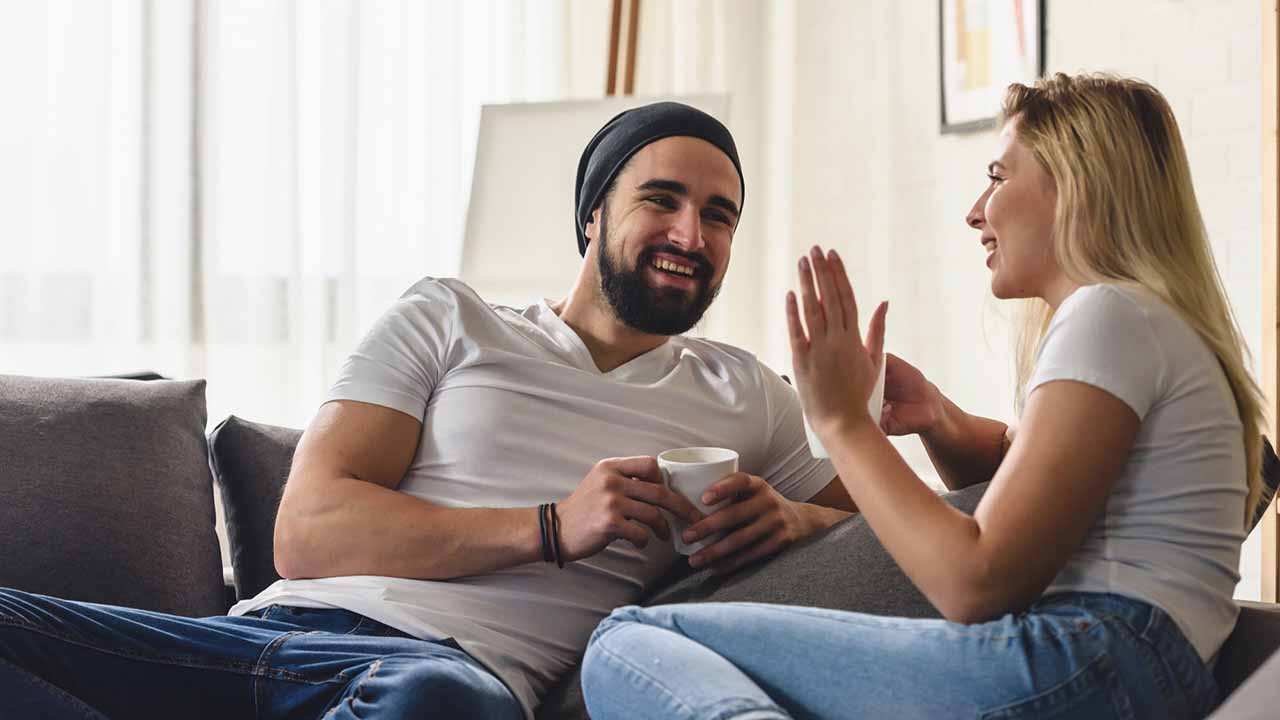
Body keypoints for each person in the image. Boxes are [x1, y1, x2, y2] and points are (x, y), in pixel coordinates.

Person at [0, 102, 858, 719]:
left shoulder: (748, 394)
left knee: (435, 701)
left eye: (720, 216)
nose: (692, 234)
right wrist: (552, 525)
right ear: (593, 213)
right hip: (268, 642)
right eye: (660, 200)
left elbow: (888, 528)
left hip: (443, 679)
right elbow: (307, 530)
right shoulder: (450, 317)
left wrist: (794, 520)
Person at [581, 73, 1261, 720]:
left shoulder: (1108, 317)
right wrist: (936, 414)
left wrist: (843, 421)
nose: (975, 212)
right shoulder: (1148, 323)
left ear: (1074, 184)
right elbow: (1022, 480)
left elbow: (976, 583)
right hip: (1141, 672)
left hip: (1088, 659)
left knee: (628, 640)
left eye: (996, 177)